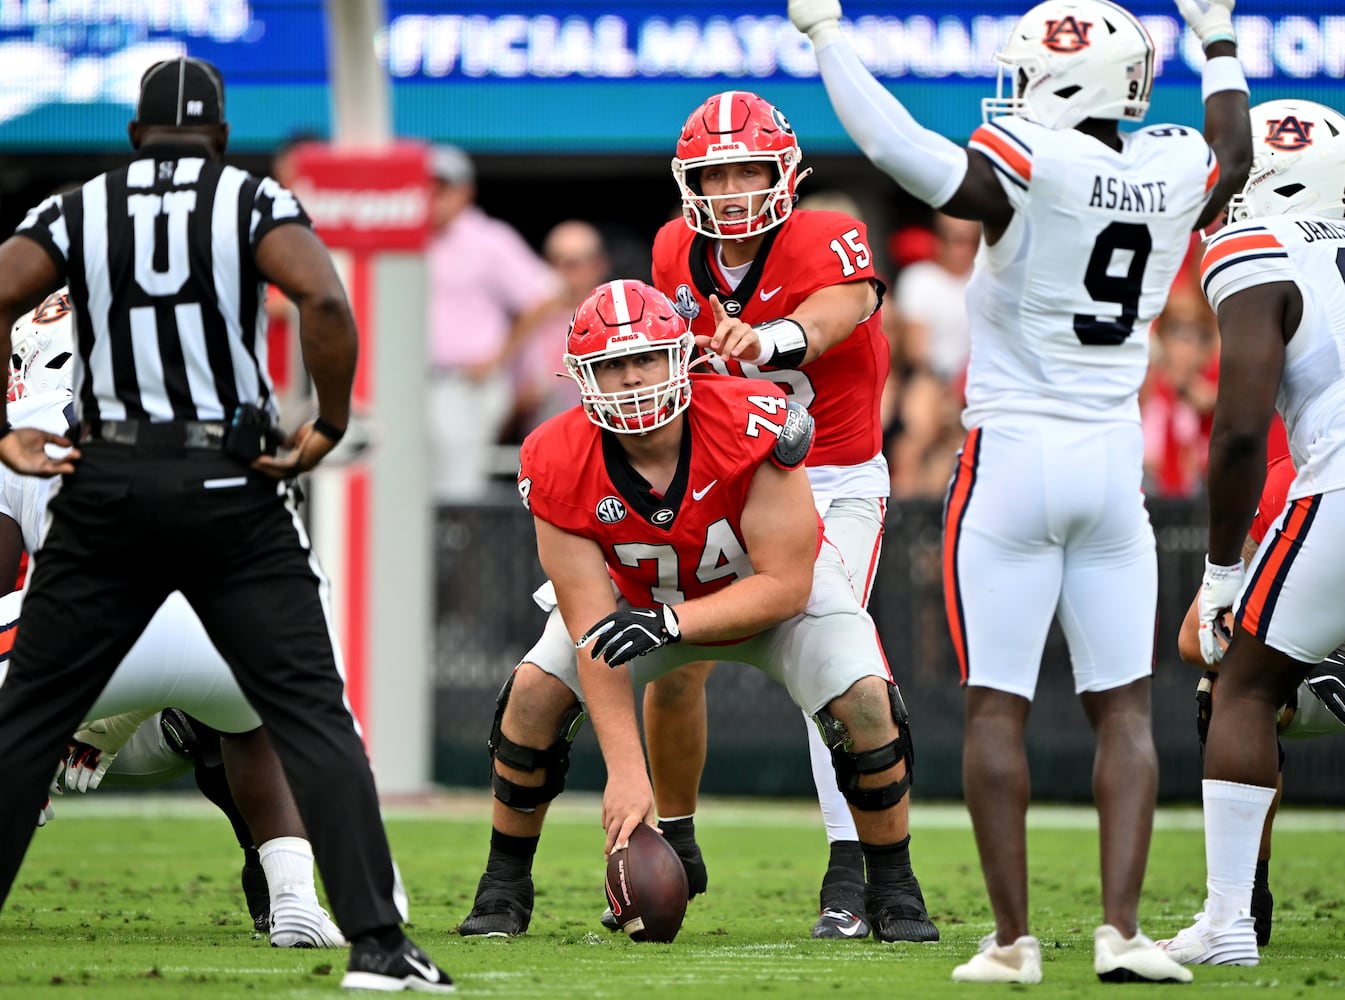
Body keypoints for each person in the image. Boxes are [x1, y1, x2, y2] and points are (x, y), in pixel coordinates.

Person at [789, 0, 1250, 983]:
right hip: (1109, 467)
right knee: (1122, 712)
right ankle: (1122, 933)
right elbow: (1233, 151)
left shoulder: (1030, 166)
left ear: (1056, 80)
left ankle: (1012, 941)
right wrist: (1217, 38)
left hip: (1009, 463)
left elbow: (891, 141)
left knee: (996, 708)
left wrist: (826, 36)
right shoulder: (1170, 164)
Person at [0, 57, 451, 992]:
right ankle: (373, 941)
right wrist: (325, 421)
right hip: (225, 477)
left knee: (25, 724)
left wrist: (5, 429)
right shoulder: (248, 199)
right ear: (218, 137)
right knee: (310, 711)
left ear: (133, 138)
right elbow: (323, 300)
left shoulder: (77, 208)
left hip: (106, 479)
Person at [457, 278, 935, 946]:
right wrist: (627, 776)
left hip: (763, 605)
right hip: (638, 609)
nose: (631, 379)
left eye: (646, 358)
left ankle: (892, 885)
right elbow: (591, 629)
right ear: (582, 378)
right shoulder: (555, 456)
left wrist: (673, 622)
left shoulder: (751, 420)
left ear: (681, 356)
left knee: (864, 700)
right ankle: (503, 884)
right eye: (611, 366)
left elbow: (786, 586)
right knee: (532, 695)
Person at [0, 291, 353, 948]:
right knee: (259, 698)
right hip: (217, 655)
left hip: (85, 654)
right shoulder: (232, 419)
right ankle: (294, 896)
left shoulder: (22, 421)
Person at [636, 89, 908, 941]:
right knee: (675, 661)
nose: (731, 188)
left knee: (827, 665)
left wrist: (770, 339)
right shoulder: (674, 249)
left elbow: (844, 308)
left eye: (749, 168)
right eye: (716, 172)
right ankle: (676, 840)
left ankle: (850, 865)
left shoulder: (824, 234)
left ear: (784, 171)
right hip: (728, 481)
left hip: (829, 478)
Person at [1155, 97, 1345, 969]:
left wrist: (1222, 570)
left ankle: (1231, 920)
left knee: (1236, 681)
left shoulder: (1255, 247)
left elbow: (1235, 434)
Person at [1171, 446, 1345, 950]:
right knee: (1226, 692)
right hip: (1321, 665)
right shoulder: (1282, 481)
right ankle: (1249, 892)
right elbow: (1192, 636)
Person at [425, 143, 560, 501]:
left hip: (465, 386)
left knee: (457, 494)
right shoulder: (411, 239)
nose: (432, 196)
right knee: (412, 491)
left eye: (442, 187)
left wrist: (499, 358)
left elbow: (545, 295)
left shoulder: (488, 239)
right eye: (426, 187)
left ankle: (456, 560)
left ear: (465, 190)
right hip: (415, 384)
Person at [888, 212, 981, 499]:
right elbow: (918, 352)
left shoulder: (983, 280)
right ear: (938, 240)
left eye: (968, 241)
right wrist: (945, 395)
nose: (960, 248)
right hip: (931, 377)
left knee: (960, 453)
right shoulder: (921, 279)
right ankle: (904, 528)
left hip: (973, 381)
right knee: (914, 439)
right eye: (952, 239)